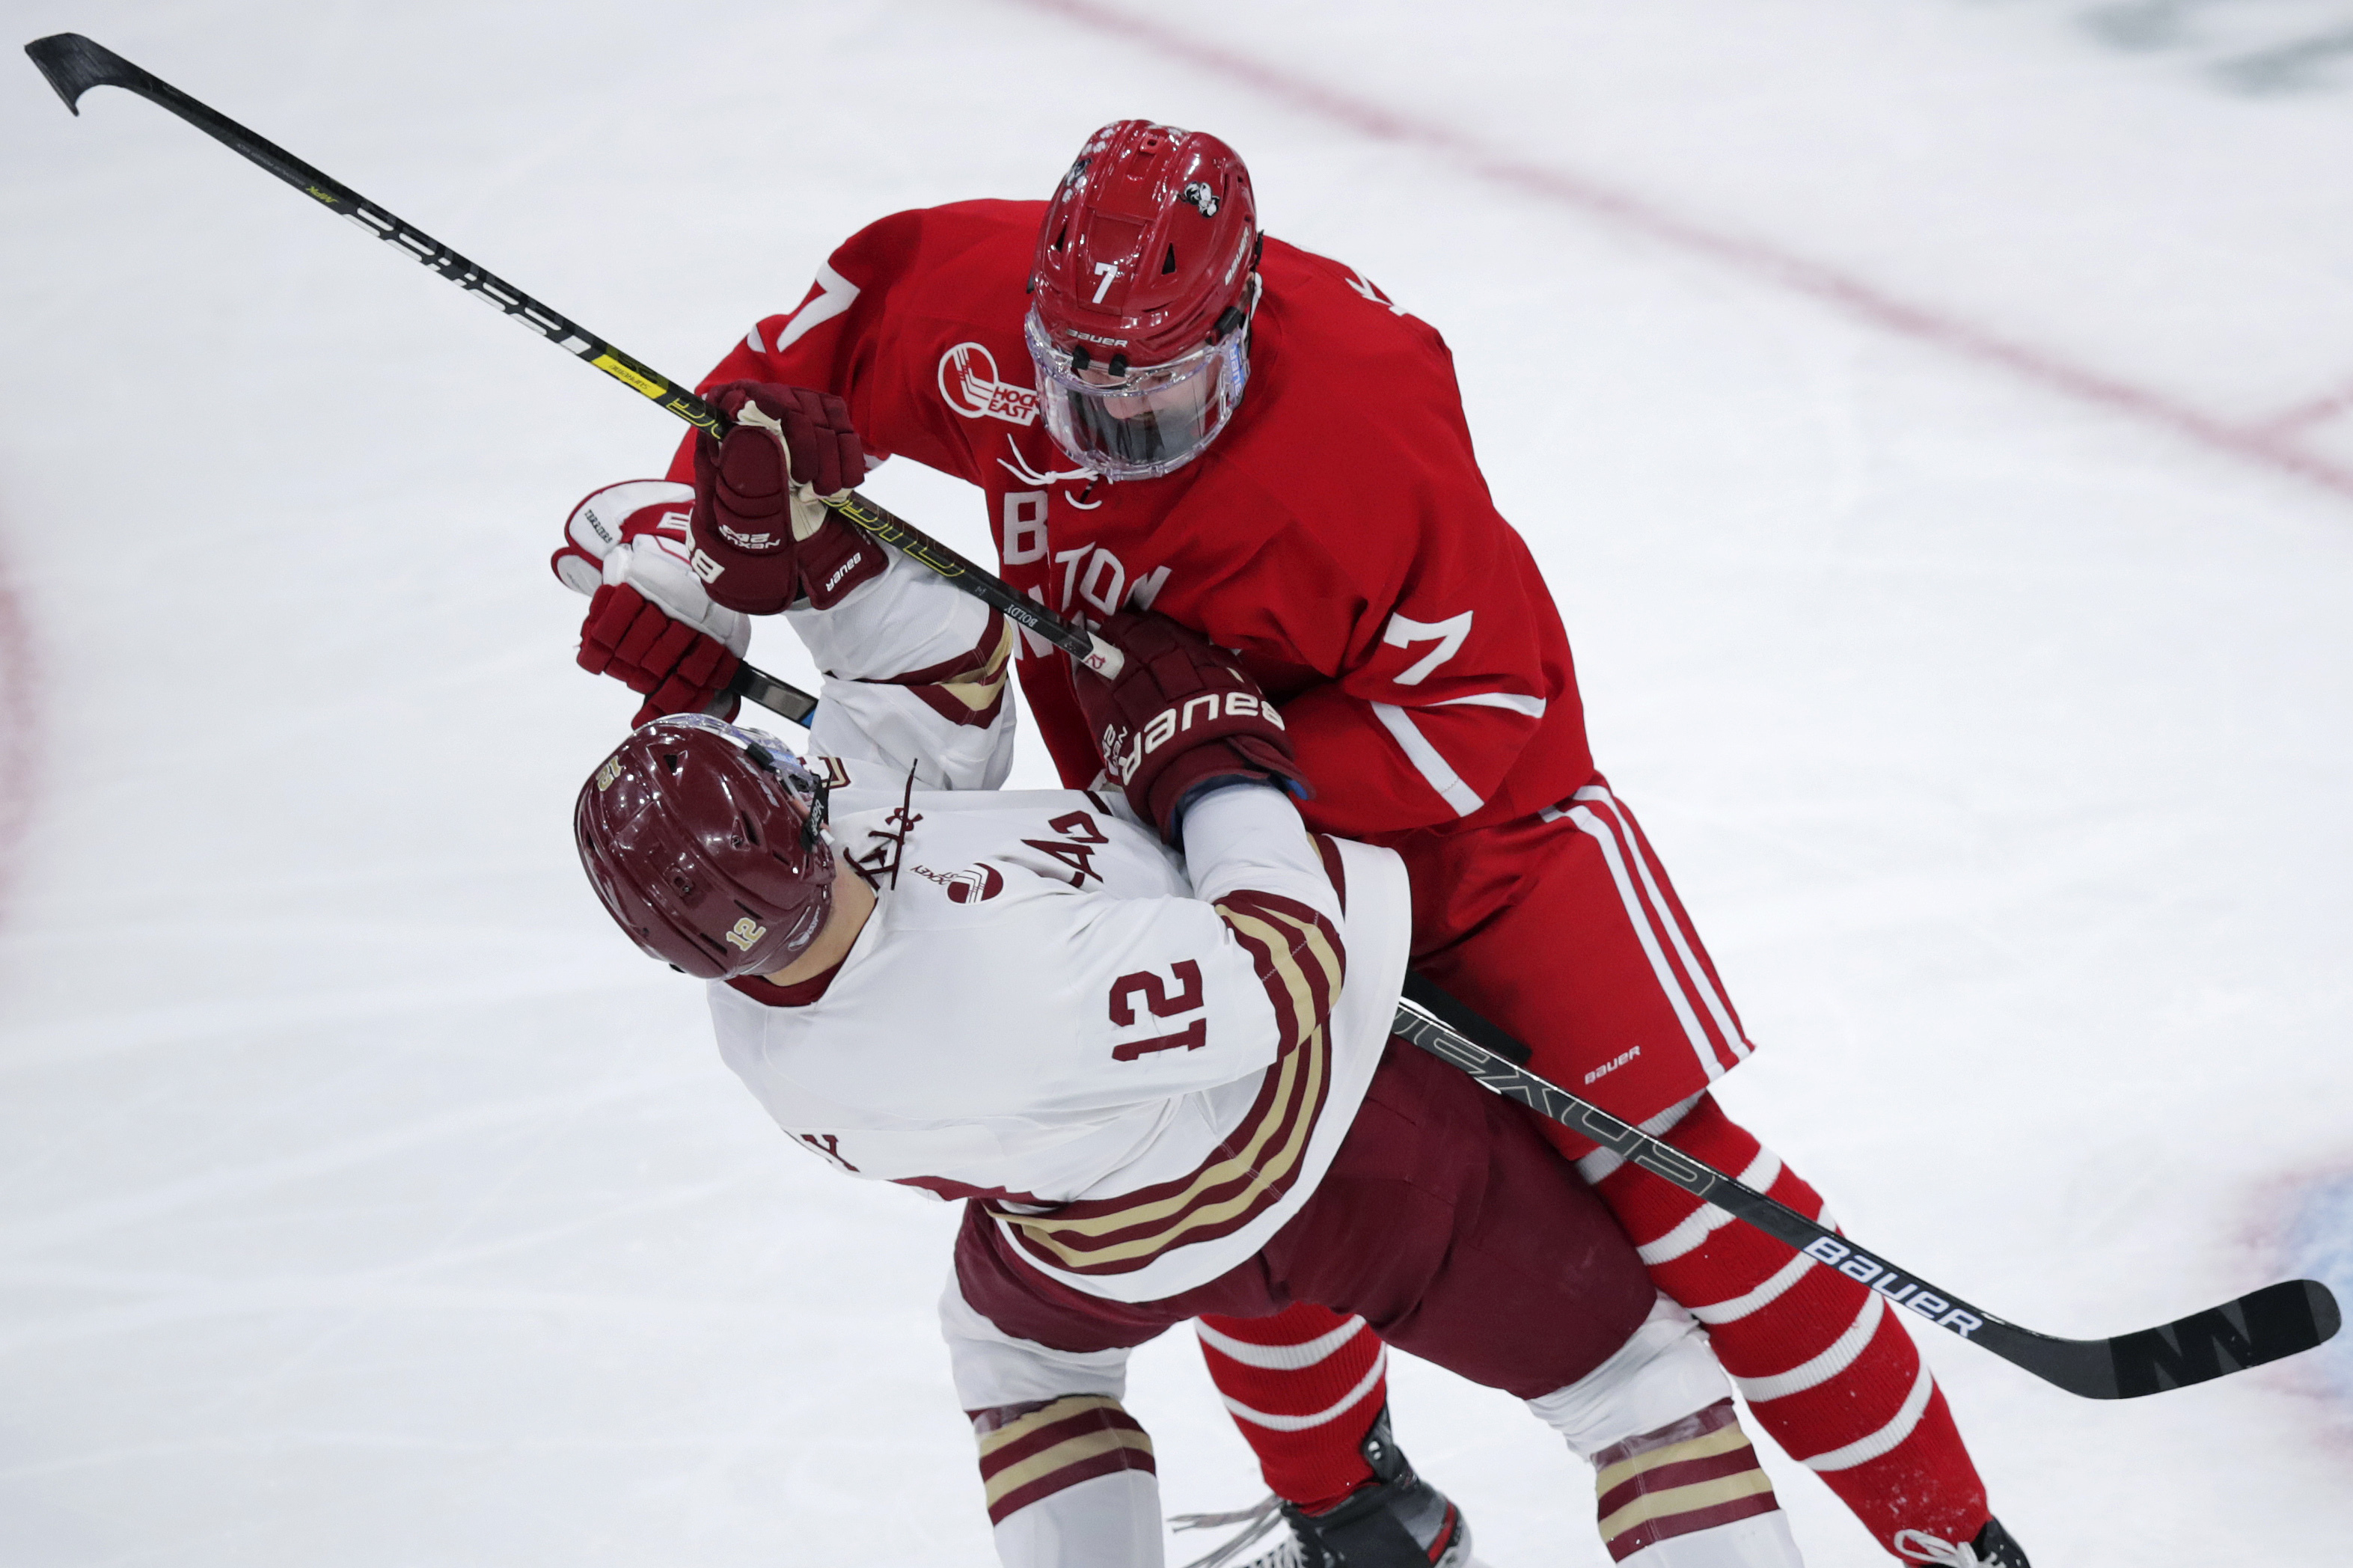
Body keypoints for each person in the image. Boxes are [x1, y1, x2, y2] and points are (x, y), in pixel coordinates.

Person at [556, 121, 2027, 1568]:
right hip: (1180, 822)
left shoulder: (1369, 419)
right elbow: (766, 404)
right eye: (1078, 387)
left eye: (1159, 392)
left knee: (1664, 1175)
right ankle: (1354, 1513)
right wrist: (698, 547)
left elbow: (1478, 709)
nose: (1109, 433)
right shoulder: (963, 295)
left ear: (1239, 316)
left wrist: (1227, 765)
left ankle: (1952, 1541)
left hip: (1459, 827)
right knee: (1235, 1168)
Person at [569, 535, 1811, 1568]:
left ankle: (1363, 1524)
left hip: (1099, 1249)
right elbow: (1285, 965)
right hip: (1343, 1159)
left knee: (1017, 1364)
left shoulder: (764, 1001)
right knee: (1640, 1393)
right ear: (797, 835)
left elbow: (929, 691)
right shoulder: (999, 993)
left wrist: (814, 567)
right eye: (793, 787)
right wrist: (1211, 769)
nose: (814, 780)